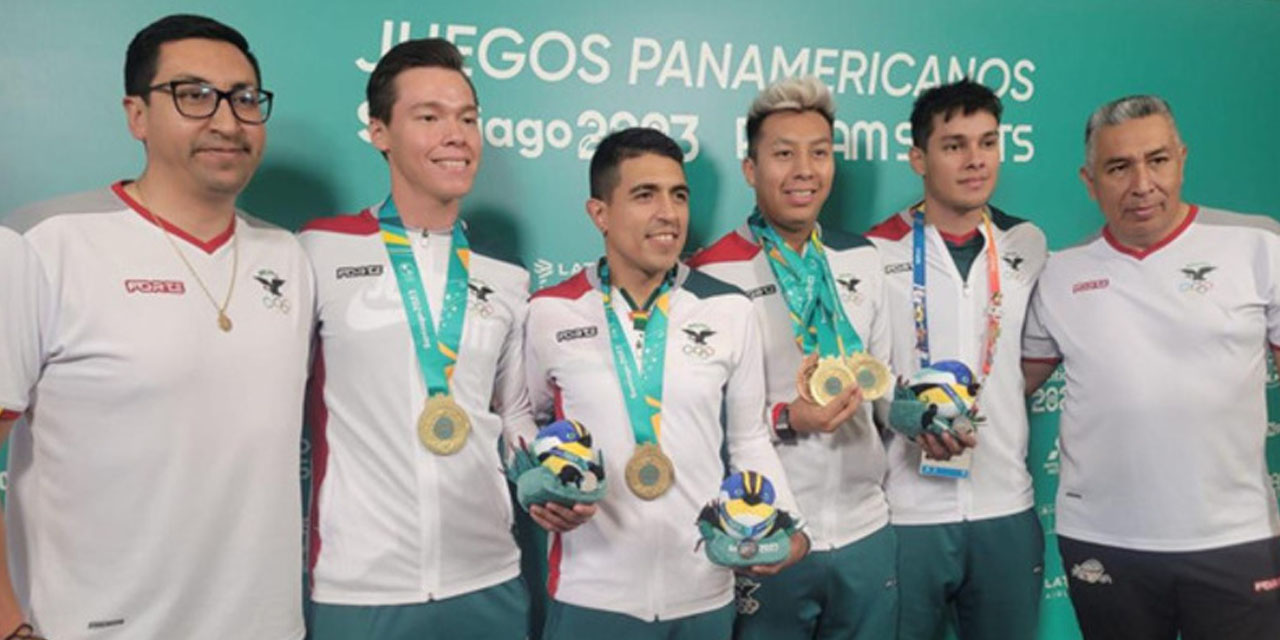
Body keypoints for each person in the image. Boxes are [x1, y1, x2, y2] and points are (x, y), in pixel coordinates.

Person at [0, 14, 311, 639]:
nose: (227, 121)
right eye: (193, 95)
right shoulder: (41, 242)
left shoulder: (288, 257)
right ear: (136, 114)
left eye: (245, 99)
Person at [298, 38, 583, 639]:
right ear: (379, 131)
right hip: (361, 586)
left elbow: (511, 419)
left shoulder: (505, 280)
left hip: (490, 579)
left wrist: (546, 480)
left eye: (468, 118)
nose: (457, 134)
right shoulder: (319, 250)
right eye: (429, 117)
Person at [525, 127, 808, 639]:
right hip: (589, 594)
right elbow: (526, 418)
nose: (669, 214)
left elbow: (747, 440)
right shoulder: (549, 311)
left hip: (703, 592)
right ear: (600, 214)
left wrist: (788, 524)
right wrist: (536, 485)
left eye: (678, 195)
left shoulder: (730, 309)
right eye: (644, 195)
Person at [1022, 94, 1280, 640]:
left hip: (1235, 538)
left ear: (1181, 159)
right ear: (1089, 180)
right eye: (1119, 167)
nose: (1142, 184)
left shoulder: (1258, 247)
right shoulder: (1060, 275)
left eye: (1157, 160)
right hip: (1104, 543)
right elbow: (1007, 386)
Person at [688, 76, 897, 640]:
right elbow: (704, 423)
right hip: (769, 532)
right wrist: (788, 418)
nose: (805, 170)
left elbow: (885, 386)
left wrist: (923, 411)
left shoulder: (864, 258)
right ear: (751, 169)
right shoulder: (709, 274)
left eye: (820, 153)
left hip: (866, 530)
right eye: (784, 154)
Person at [866, 78, 1048, 640]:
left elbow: (1036, 356)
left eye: (987, 142)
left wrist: (981, 403)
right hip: (909, 512)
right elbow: (865, 381)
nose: (976, 160)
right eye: (954, 145)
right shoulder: (873, 251)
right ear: (918, 157)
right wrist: (908, 416)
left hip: (1006, 508)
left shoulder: (1028, 243)